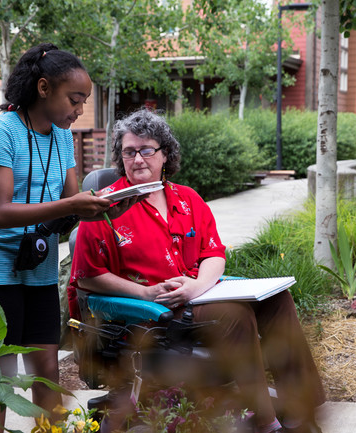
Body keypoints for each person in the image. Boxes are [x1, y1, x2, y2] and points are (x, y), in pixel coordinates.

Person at [69, 109, 325, 433]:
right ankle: (264, 421)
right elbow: (88, 275)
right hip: (152, 311)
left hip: (197, 294)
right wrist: (145, 293)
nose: (137, 159)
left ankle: (300, 408)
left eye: (147, 150)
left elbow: (214, 252)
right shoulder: (104, 207)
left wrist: (197, 286)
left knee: (278, 300)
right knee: (234, 315)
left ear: (165, 154)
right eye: (129, 151)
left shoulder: (187, 199)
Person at [0, 43, 141, 432]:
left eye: (84, 101)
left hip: (39, 268)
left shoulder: (60, 137)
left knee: (45, 372)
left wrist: (103, 206)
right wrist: (71, 206)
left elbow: (69, 206)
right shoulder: (1, 133)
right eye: (74, 100)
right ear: (44, 88)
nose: (79, 110)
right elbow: (0, 213)